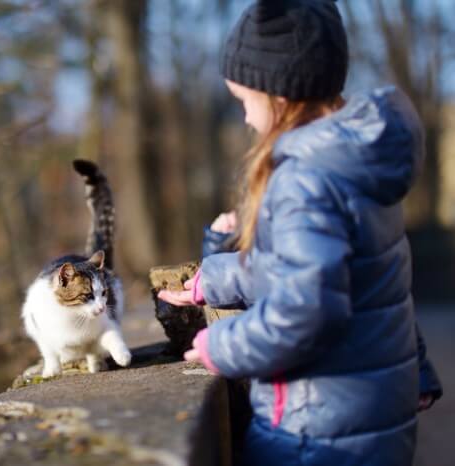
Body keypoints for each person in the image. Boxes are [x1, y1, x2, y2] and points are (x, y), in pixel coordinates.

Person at [157, 0, 443, 464]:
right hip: (375, 422)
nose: (246, 120)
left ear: (280, 95)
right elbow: (372, 280)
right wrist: (214, 278)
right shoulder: (355, 164)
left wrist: (222, 346)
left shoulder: (302, 181)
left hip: (313, 434)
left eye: (245, 102)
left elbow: (306, 311)